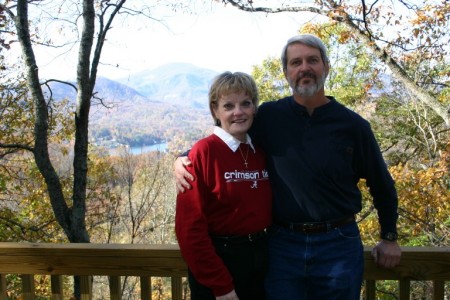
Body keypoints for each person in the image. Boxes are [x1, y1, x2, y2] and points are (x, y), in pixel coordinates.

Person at [174, 34, 401, 299]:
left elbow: (382, 184)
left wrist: (389, 236)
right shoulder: (269, 117)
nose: (304, 67)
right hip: (283, 245)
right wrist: (183, 157)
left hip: (338, 244)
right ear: (286, 72)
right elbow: (229, 136)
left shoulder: (353, 127)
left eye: (312, 60)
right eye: (296, 62)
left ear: (326, 67)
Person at [175, 71, 272, 300]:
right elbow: (189, 230)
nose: (238, 112)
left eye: (246, 104)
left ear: (254, 108)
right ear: (215, 111)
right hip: (221, 265)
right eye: (228, 106)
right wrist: (221, 286)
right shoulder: (203, 153)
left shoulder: (260, 151)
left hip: (262, 265)